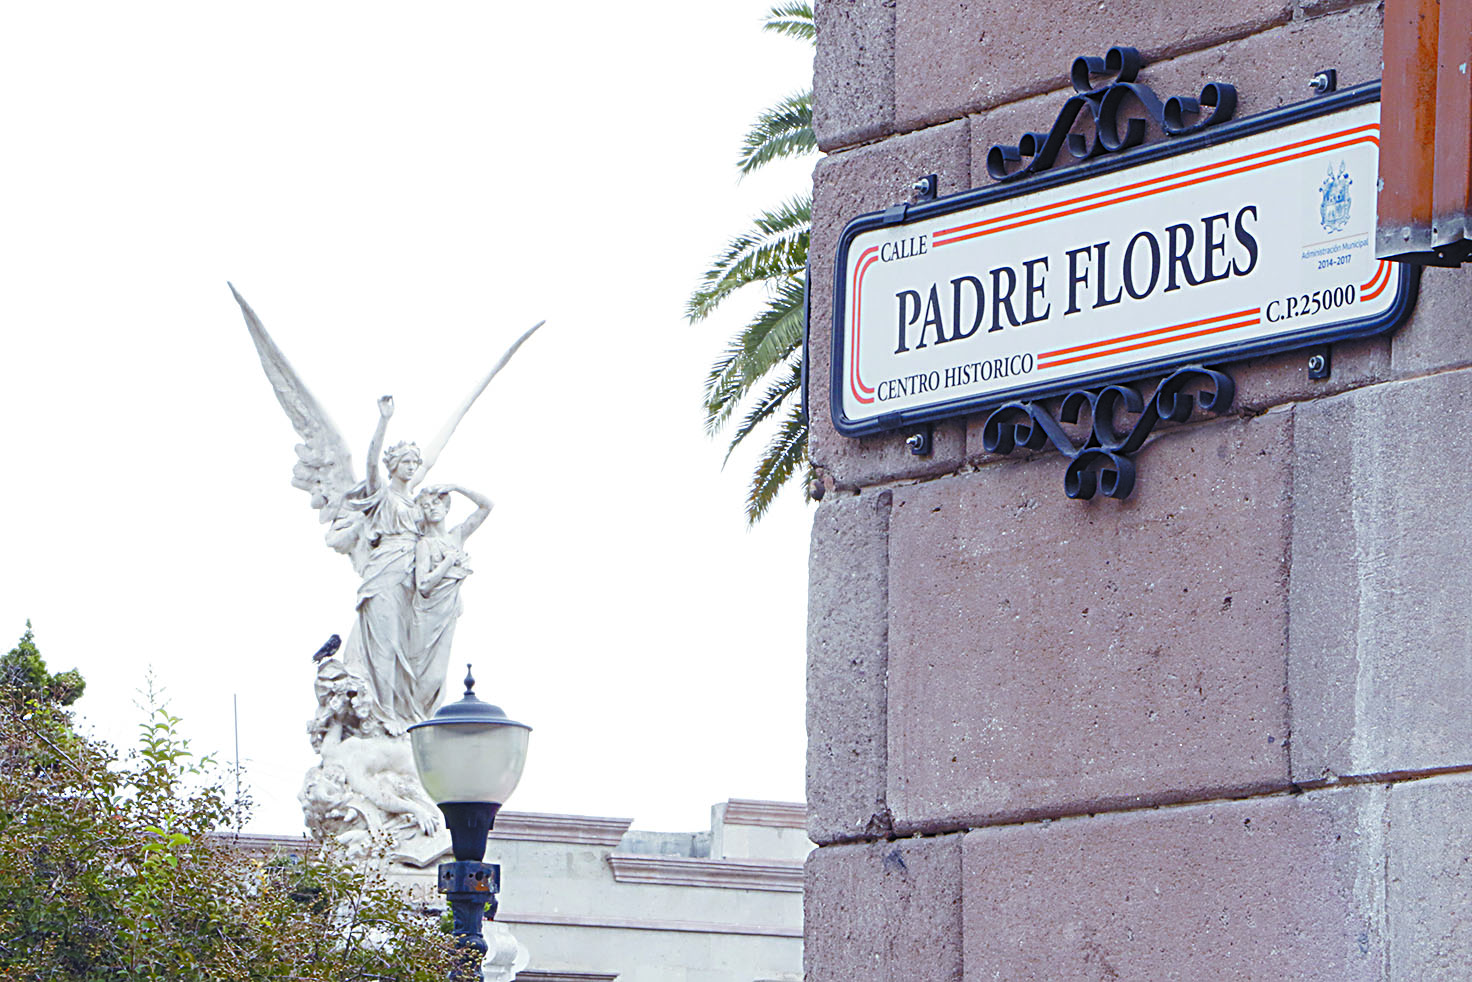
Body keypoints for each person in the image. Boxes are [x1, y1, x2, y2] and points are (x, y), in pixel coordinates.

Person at [410, 483, 493, 716]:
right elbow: (423, 585)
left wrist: (456, 487)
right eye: (426, 506)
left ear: (446, 507)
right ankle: (411, 720)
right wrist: (447, 563)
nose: (432, 508)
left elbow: (486, 506)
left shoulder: (456, 535)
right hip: (426, 616)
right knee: (425, 674)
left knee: (439, 678)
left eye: (436, 502)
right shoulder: (424, 544)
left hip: (447, 613)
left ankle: (421, 719)